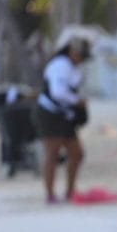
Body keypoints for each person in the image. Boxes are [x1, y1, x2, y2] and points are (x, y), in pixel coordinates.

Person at [34, 37, 90, 204]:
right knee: (52, 153)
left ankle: (70, 191)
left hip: (66, 115)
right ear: (72, 52)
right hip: (50, 114)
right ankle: (50, 194)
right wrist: (77, 101)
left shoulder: (75, 69)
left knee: (77, 153)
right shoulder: (60, 66)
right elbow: (58, 93)